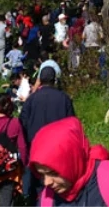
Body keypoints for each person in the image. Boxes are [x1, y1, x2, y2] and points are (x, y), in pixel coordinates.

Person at [30, 117, 109, 206]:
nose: (47, 182)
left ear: (72, 160)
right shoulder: (47, 200)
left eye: (53, 173)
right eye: (41, 174)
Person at [20, 65, 76, 202]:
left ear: (40, 79)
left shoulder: (31, 99)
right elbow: (73, 125)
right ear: (54, 80)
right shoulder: (64, 98)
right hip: (59, 148)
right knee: (57, 183)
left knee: (40, 183)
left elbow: (22, 122)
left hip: (36, 147)